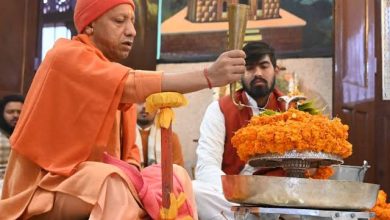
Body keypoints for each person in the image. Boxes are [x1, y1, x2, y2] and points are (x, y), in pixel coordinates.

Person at [0, 0, 246, 219]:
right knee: (112, 182)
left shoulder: (111, 78)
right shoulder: (65, 55)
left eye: (132, 21)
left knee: (176, 177)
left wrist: (142, 183)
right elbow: (132, 83)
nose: (131, 31)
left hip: (94, 181)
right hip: (44, 189)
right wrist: (208, 76)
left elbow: (129, 158)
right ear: (90, 26)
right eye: (119, 21)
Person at [193, 41, 286, 220]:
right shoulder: (219, 109)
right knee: (194, 191)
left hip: (277, 199)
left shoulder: (292, 110)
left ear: (275, 69)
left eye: (264, 66)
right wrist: (243, 197)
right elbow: (206, 167)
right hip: (233, 199)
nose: (258, 73)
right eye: (250, 67)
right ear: (239, 74)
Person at [136, 103, 184, 167]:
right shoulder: (122, 135)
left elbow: (177, 172)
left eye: (150, 102)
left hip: (159, 177)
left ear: (158, 109)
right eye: (140, 102)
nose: (144, 106)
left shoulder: (170, 137)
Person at [0, 95, 24, 198]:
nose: (15, 115)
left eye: (19, 112)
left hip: (22, 185)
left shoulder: (30, 136)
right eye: (10, 112)